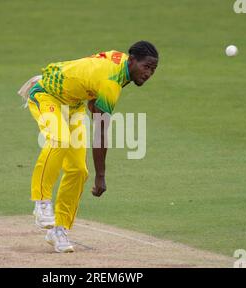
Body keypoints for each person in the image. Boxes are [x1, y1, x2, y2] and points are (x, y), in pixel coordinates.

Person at [18, 41, 158, 253]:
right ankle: (41, 201)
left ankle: (59, 229)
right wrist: (101, 175)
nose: (149, 73)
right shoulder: (112, 82)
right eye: (146, 66)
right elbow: (100, 133)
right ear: (132, 60)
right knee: (59, 139)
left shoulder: (121, 67)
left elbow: (91, 79)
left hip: (73, 105)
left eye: (153, 69)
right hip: (46, 94)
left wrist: (92, 100)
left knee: (78, 170)